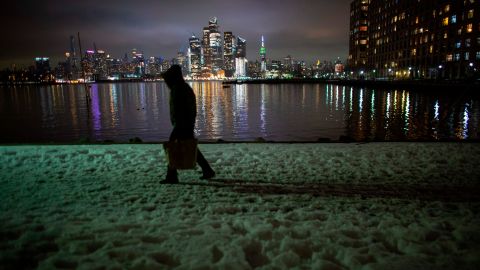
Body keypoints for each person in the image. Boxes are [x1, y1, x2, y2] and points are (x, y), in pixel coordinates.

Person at [160, 65, 215, 184]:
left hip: (181, 124)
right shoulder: (184, 87)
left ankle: (172, 176)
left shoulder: (178, 89)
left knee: (171, 148)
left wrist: (179, 123)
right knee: (191, 147)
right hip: (186, 123)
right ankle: (207, 170)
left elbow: (178, 109)